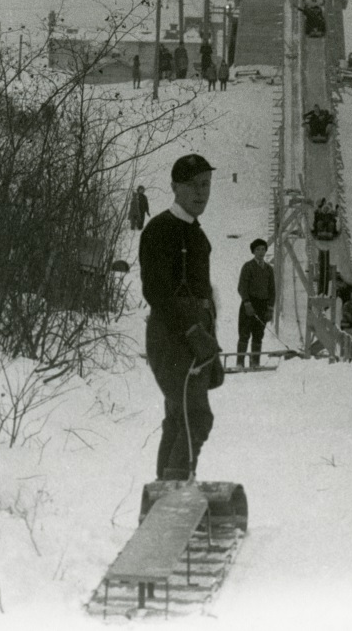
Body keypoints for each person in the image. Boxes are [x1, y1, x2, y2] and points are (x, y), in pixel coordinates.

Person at [139, 154, 224, 482]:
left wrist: (206, 333)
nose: (200, 192)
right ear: (175, 187)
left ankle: (165, 496)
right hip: (172, 336)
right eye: (192, 185)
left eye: (206, 185)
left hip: (194, 334)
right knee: (196, 418)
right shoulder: (161, 229)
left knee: (180, 418)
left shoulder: (196, 233)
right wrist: (191, 331)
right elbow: (157, 293)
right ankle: (172, 499)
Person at [237, 238, 276, 368]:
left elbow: (272, 290)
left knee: (258, 335)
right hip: (249, 304)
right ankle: (240, 363)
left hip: (263, 306)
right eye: (258, 249)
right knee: (244, 334)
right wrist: (247, 303)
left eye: (263, 249)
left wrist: (270, 308)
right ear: (253, 251)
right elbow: (242, 287)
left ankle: (255, 363)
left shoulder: (269, 269)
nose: (261, 252)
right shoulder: (248, 267)